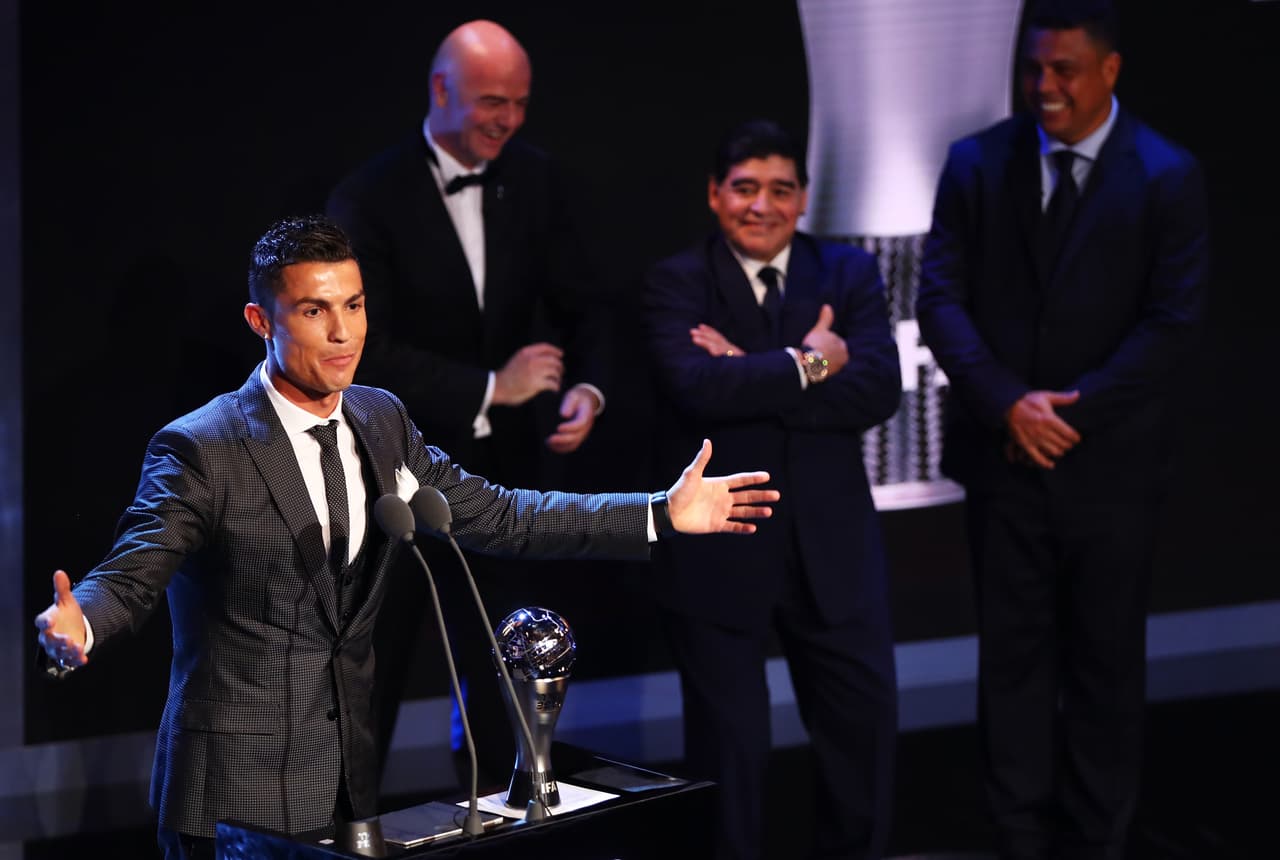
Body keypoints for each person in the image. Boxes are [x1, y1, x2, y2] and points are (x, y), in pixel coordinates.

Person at [32, 215, 778, 860]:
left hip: (348, 787)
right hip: (232, 802)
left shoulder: (381, 419)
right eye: (316, 311)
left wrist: (655, 511)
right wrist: (83, 621)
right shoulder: (203, 446)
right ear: (262, 322)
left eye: (354, 305)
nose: (344, 332)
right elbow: (134, 570)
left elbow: (502, 513)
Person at [915, 2, 1210, 857]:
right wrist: (1009, 402)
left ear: (1109, 71)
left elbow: (1172, 322)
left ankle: (1097, 836)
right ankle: (1016, 833)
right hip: (1004, 459)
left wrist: (1065, 412)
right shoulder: (977, 162)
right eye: (1034, 69)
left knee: (1106, 663)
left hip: (1110, 466)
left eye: (1065, 71)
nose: (1043, 87)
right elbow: (940, 295)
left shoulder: (1167, 174)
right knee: (1009, 660)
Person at [324, 19, 612, 784]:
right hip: (383, 478)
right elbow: (357, 349)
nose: (507, 119)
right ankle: (352, 833)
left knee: (501, 671)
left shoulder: (537, 179)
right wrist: (492, 387)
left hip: (497, 479)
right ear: (440, 90)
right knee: (368, 680)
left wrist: (585, 386)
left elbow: (591, 303)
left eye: (519, 103)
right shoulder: (370, 196)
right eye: (491, 101)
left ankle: (500, 823)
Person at [641, 120, 902, 860]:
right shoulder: (678, 280)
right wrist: (808, 363)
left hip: (835, 551)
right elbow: (694, 389)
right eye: (745, 189)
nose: (763, 206)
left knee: (863, 754)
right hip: (721, 555)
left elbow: (878, 388)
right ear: (716, 196)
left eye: (780, 190)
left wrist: (746, 369)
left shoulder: (848, 272)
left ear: (804, 198)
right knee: (730, 767)